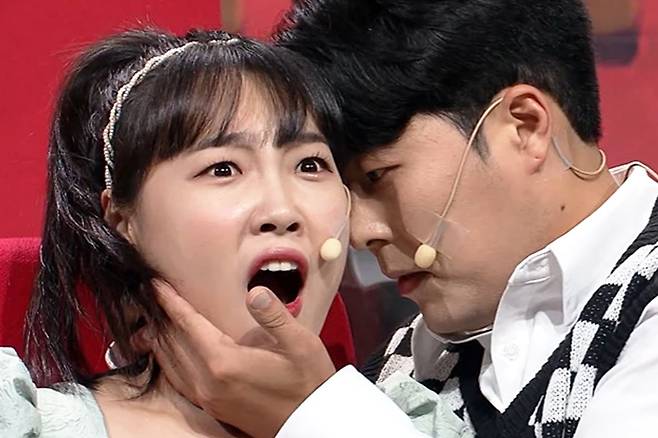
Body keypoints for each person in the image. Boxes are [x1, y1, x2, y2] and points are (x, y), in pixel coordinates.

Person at [147, 1, 658, 437]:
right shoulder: (410, 360)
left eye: (377, 176)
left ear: (524, 126)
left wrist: (316, 416)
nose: (359, 234)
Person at [0, 28, 352, 437]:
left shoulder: (403, 417)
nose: (281, 211)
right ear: (123, 221)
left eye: (310, 164)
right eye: (222, 169)